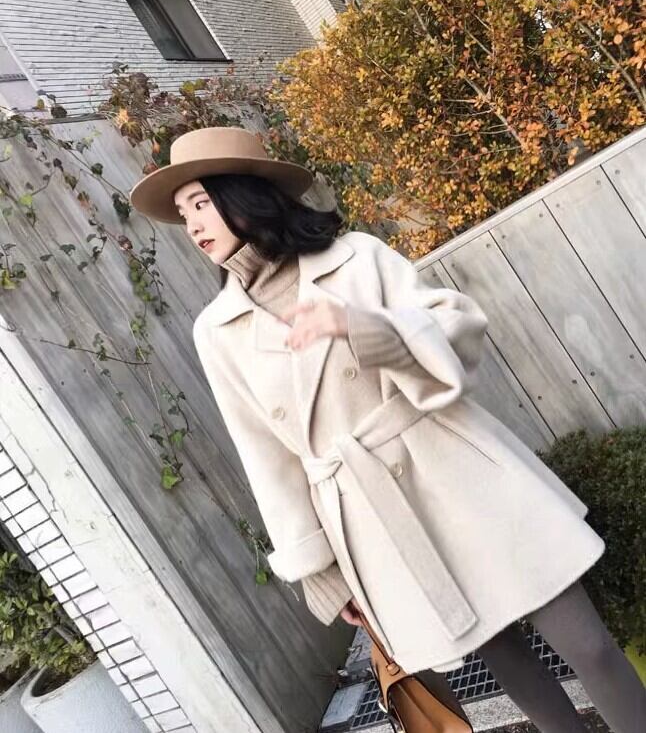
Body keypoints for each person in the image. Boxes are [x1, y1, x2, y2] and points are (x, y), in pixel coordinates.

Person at [130, 126, 646, 733]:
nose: (192, 224)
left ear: (244, 193)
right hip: (374, 518)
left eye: (201, 202)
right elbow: (266, 457)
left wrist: (359, 327)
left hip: (458, 472)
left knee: (588, 646)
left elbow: (459, 330)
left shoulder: (356, 257)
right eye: (184, 212)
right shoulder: (217, 331)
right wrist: (323, 571)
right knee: (509, 666)